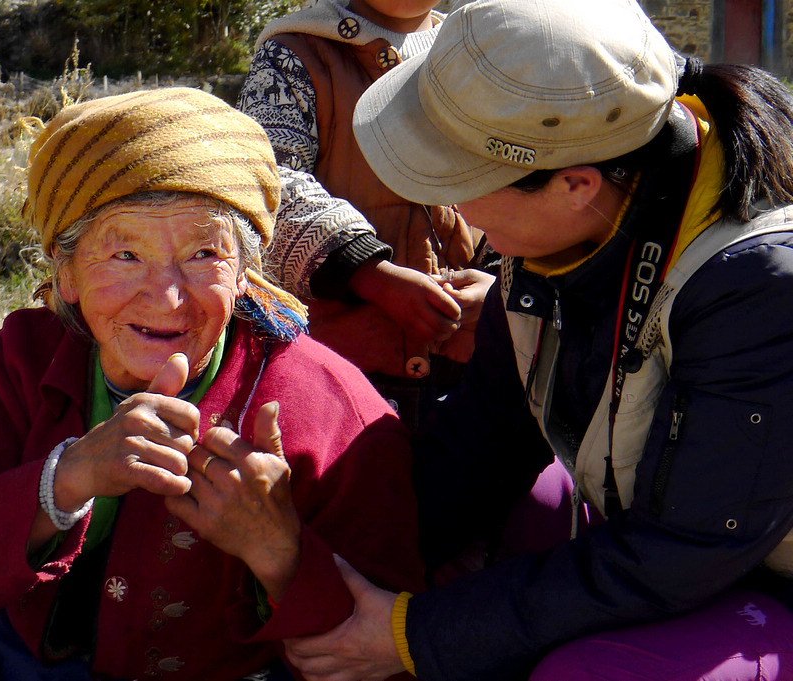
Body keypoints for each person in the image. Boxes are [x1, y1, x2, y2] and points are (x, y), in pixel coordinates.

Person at [282, 0, 793, 679]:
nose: (454, 209)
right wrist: (324, 565)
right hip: (670, 541)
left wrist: (411, 634)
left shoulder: (758, 284)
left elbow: (683, 548)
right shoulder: (558, 237)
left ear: (575, 184)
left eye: (460, 183)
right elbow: (481, 441)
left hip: (754, 575)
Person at [0, 87, 423, 681]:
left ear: (244, 273)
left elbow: (380, 652)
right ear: (65, 273)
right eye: (123, 256)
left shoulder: (334, 408)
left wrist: (279, 550)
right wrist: (70, 476)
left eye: (203, 253)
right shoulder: (26, 360)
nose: (167, 296)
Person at [237, 0, 496, 431]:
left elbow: (519, 179)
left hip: (468, 363)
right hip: (337, 366)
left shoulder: (480, 52)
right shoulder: (294, 55)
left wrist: (501, 285)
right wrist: (369, 273)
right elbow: (264, 183)